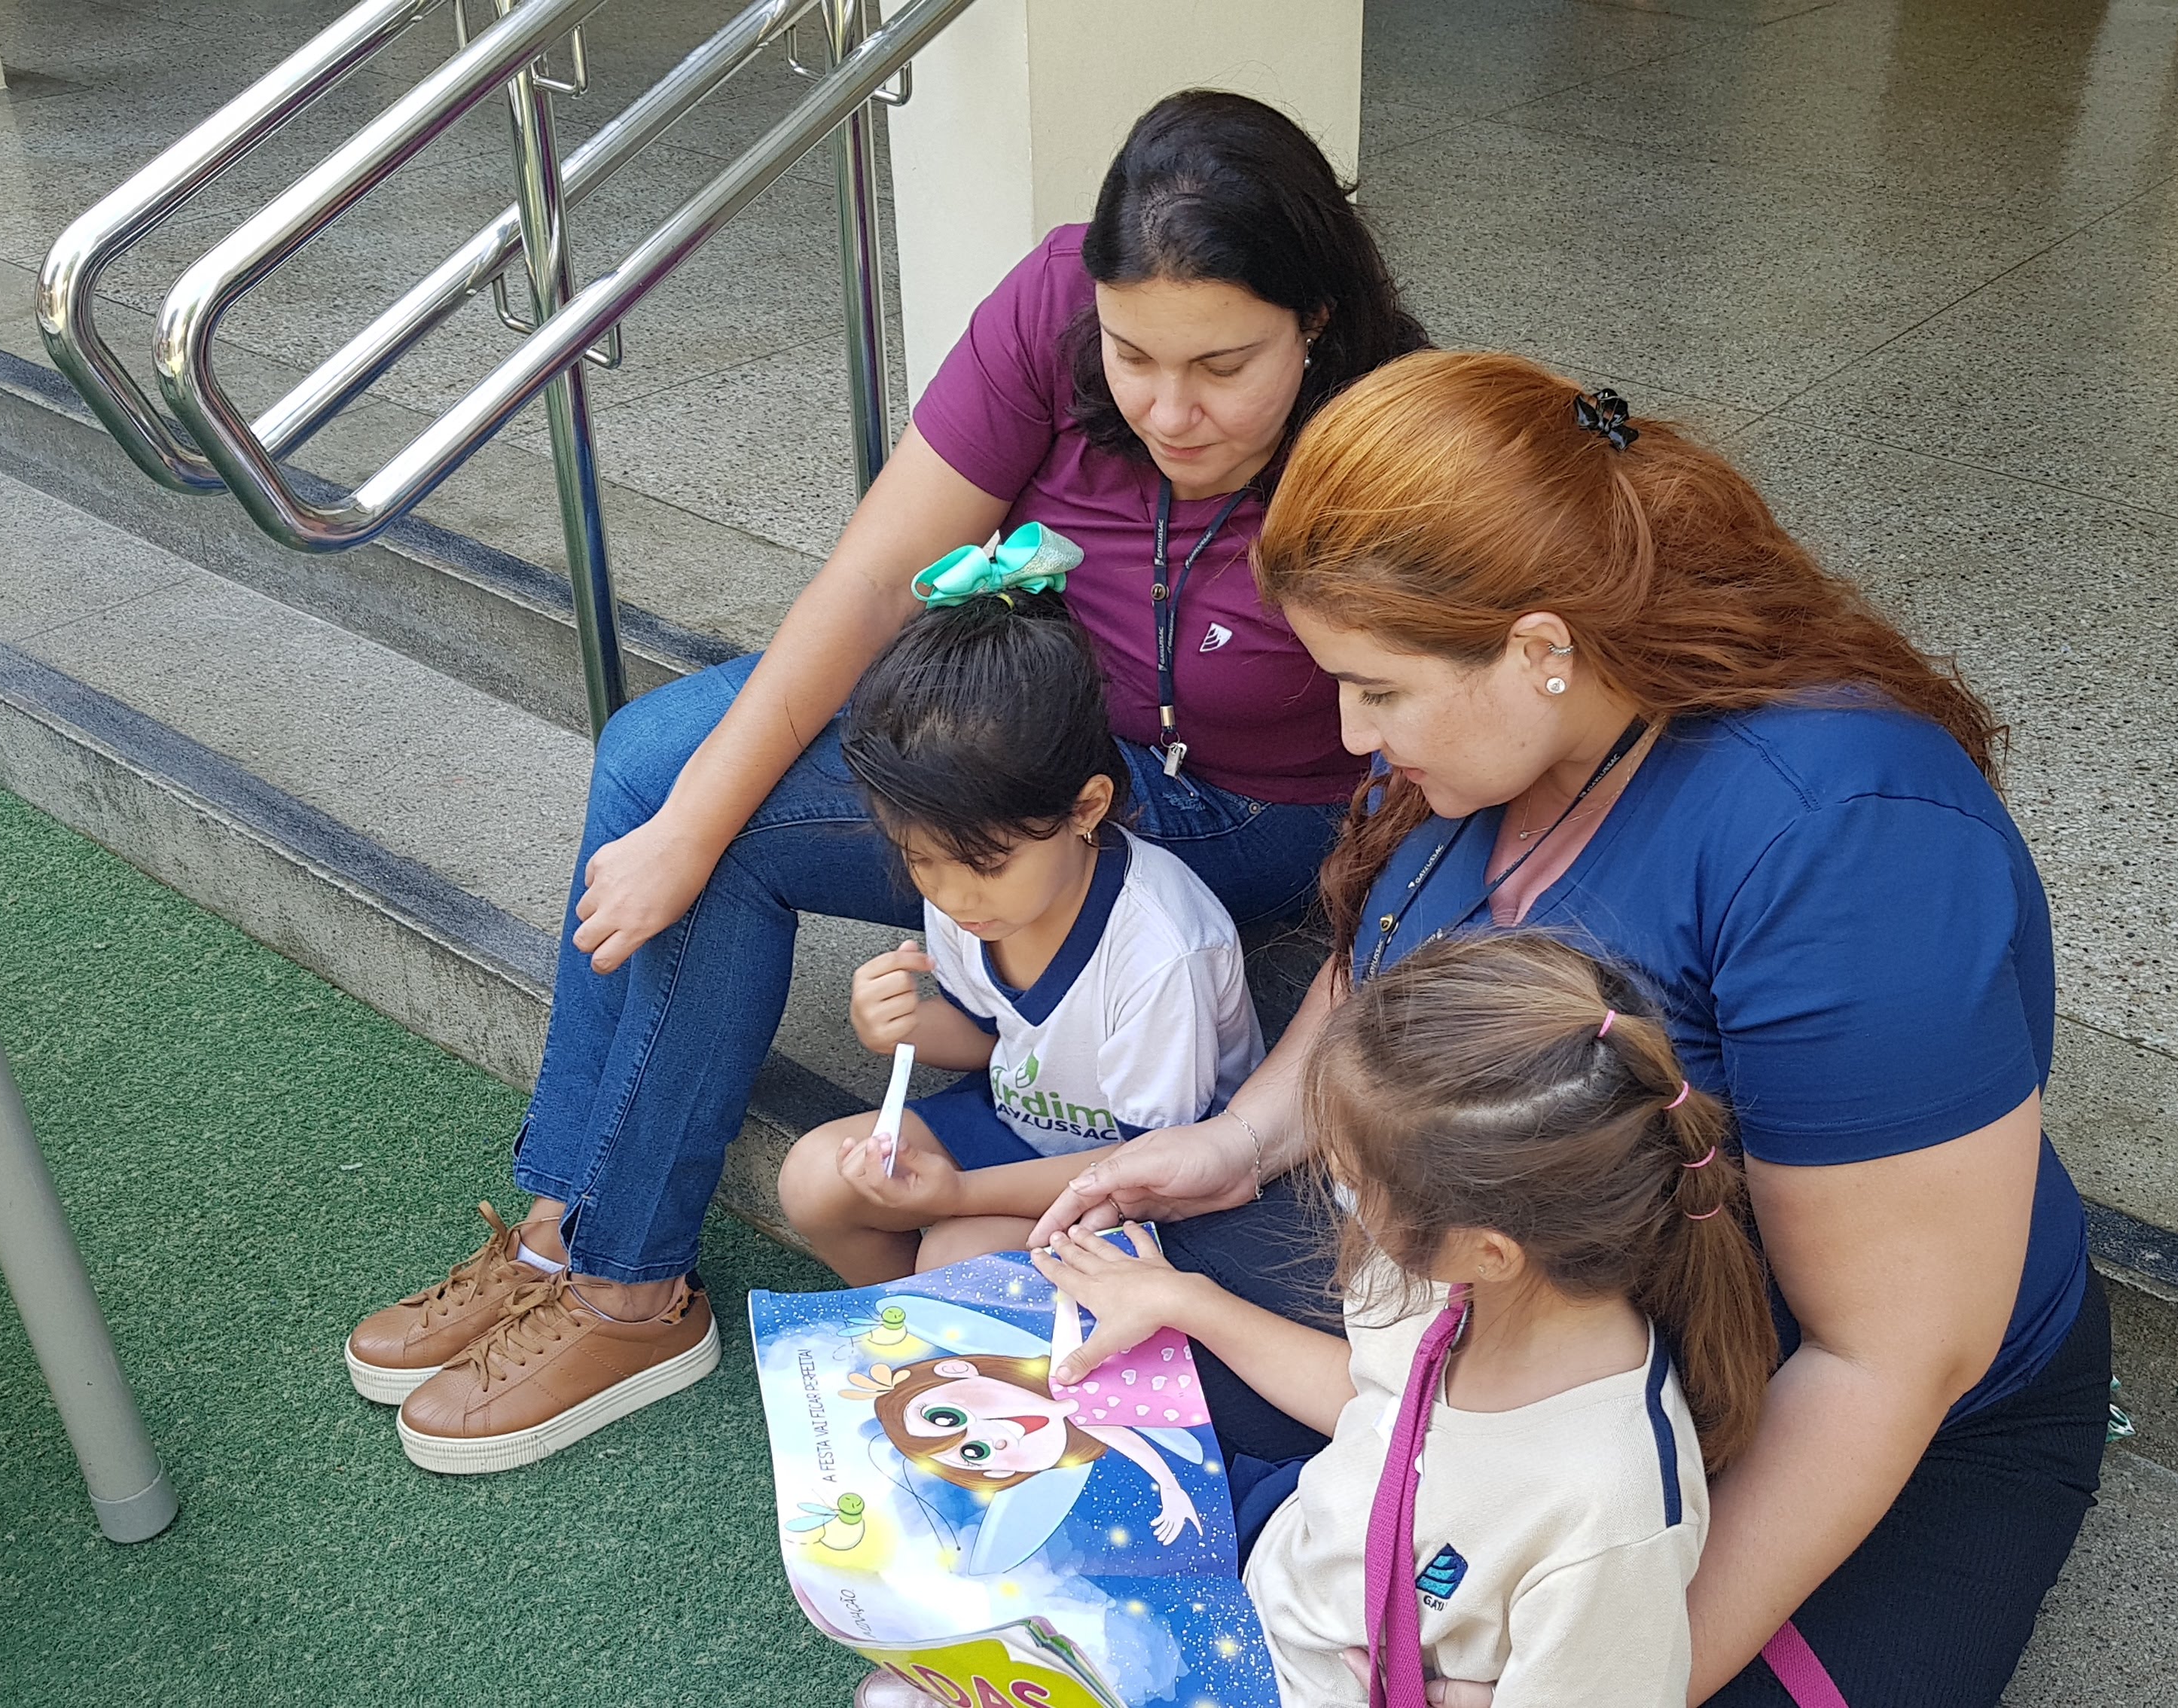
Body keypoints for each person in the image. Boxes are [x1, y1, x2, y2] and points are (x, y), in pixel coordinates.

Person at [343, 89, 1428, 1473]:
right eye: (1132, 355)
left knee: (729, 832)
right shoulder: (1051, 301)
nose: (1169, 408)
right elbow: (872, 579)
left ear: (1315, 320)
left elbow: (1426, 753)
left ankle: (626, 1287)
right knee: (659, 769)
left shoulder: (1393, 435)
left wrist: (710, 834)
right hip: (1040, 731)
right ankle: (564, 1224)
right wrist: (682, 825)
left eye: (1222, 365)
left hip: (1239, 817)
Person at [1035, 351, 2109, 1706]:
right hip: (1518, 1300)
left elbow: (1886, 1359)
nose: (1354, 735)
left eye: (1377, 689)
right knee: (1083, 1366)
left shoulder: (1851, 845)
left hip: (1861, 1405)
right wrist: (1244, 1138)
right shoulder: (1502, 737)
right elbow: (1384, 958)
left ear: (1541, 649)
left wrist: (1614, 1676)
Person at [1031, 933, 1773, 1708]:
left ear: (1488, 1250)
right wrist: (1185, 1300)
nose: (1338, 1193)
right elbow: (1383, 1410)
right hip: (1277, 1563)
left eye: (1352, 1182)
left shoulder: (1608, 1516)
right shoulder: (1442, 1279)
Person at [774, 562, 1262, 1285]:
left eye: (986, 863)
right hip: (1020, 1125)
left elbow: (1149, 1168)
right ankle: (908, 1326)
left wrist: (960, 1196)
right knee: (816, 1178)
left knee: (957, 1255)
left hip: (1154, 1187)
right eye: (920, 859)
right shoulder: (970, 892)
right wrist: (897, 1029)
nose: (952, 894)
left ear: (1087, 808)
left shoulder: (1161, 951)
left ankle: (952, 1327)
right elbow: (990, 1034)